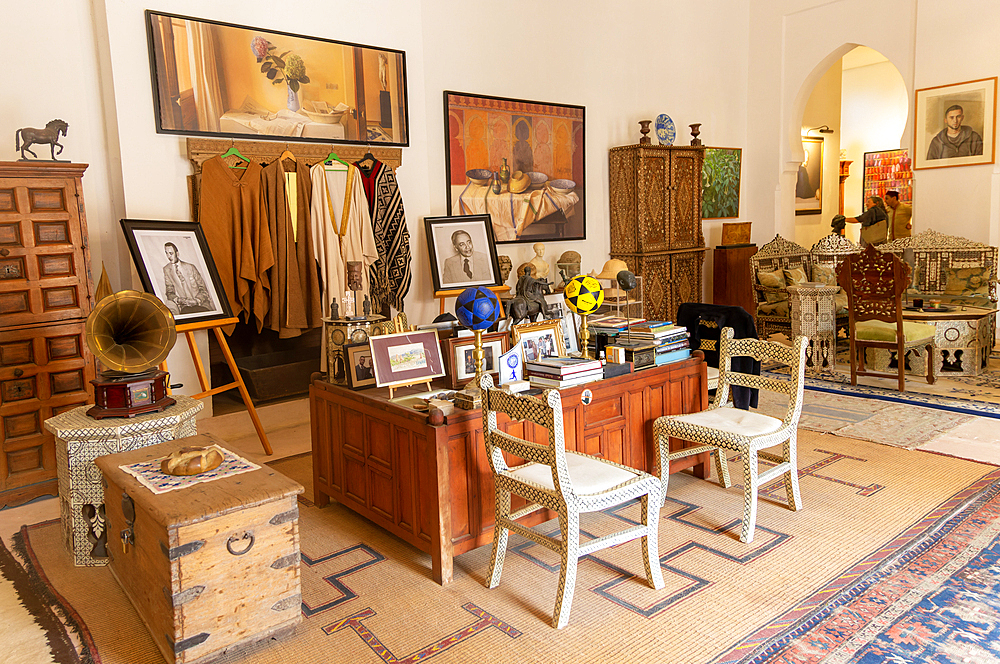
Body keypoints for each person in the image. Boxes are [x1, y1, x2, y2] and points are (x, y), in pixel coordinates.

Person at [162, 242, 212, 314]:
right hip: (185, 307)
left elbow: (203, 289)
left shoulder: (190, 267)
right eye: (166, 253)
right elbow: (169, 292)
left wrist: (196, 300)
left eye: (171, 253)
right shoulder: (166, 269)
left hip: (201, 304)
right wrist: (178, 300)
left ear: (177, 253)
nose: (168, 256)